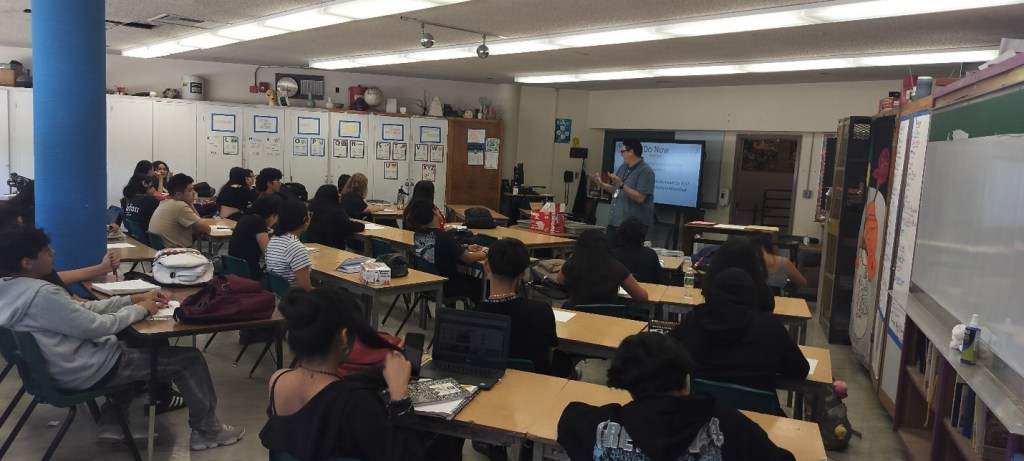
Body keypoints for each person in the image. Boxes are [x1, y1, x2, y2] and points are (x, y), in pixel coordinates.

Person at [0, 226, 244, 451]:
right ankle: (207, 431)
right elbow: (97, 327)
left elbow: (82, 313)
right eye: (46, 250)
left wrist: (131, 300)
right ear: (27, 262)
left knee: (131, 344)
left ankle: (114, 424)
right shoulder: (43, 295)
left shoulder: (12, 290)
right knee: (190, 359)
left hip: (58, 368)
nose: (52, 252)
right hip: (84, 369)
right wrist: (143, 310)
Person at [557, 332, 796, 461]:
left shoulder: (603, 425)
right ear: (686, 378)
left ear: (628, 385)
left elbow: (569, 418)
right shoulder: (727, 424)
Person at [259, 286, 426, 460]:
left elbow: (333, 390)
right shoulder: (356, 403)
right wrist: (399, 396)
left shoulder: (278, 380)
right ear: (345, 337)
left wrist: (384, 368)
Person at [667, 267, 808, 401]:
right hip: (758, 418)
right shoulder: (770, 326)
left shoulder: (697, 319)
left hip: (704, 415)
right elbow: (800, 370)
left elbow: (667, 350)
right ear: (752, 295)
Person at [475, 238, 564, 376]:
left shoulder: (476, 315)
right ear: (522, 275)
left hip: (491, 386)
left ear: (486, 266)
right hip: (534, 387)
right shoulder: (542, 311)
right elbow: (548, 357)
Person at [409, 198, 486, 303]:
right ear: (435, 212)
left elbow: (442, 250)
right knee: (485, 285)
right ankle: (477, 316)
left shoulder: (418, 234)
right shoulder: (443, 237)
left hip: (428, 282)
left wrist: (466, 247)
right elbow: (468, 258)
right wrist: (486, 252)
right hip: (447, 285)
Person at [588, 138, 655, 247]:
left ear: (631, 152)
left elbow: (640, 198)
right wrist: (601, 184)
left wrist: (621, 184)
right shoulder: (623, 167)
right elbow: (616, 190)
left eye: (623, 151)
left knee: (627, 256)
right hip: (614, 221)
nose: (621, 154)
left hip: (632, 227)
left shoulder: (646, 171)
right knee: (608, 253)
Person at [557, 229, 648, 307]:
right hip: (608, 318)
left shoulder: (571, 265)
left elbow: (560, 280)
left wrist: (574, 256)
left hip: (577, 316)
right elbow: (642, 297)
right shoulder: (616, 267)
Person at [703, 237, 775, 312]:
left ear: (718, 260)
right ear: (753, 261)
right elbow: (769, 307)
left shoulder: (711, 286)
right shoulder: (761, 290)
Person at [148, 173, 211, 248]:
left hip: (162, 252)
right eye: (190, 190)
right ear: (178, 194)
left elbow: (199, 225)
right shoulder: (179, 206)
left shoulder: (164, 202)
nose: (194, 193)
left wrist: (190, 203)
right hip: (176, 253)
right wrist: (190, 204)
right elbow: (206, 229)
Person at [228, 195, 281, 280]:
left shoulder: (246, 218)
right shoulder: (258, 222)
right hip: (250, 274)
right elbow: (268, 254)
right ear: (273, 213)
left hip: (236, 270)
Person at [265, 200, 313, 290]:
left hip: (278, 297)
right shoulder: (295, 247)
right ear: (304, 219)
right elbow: (306, 289)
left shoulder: (274, 240)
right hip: (294, 300)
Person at [307, 184, 365, 250]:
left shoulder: (311, 209)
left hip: (313, 248)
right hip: (334, 250)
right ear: (332, 196)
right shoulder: (336, 212)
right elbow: (349, 227)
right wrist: (361, 225)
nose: (339, 195)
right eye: (337, 193)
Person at [613, 216, 661, 283]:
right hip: (648, 291)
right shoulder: (650, 254)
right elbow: (658, 281)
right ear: (643, 234)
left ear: (620, 233)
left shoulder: (613, 255)